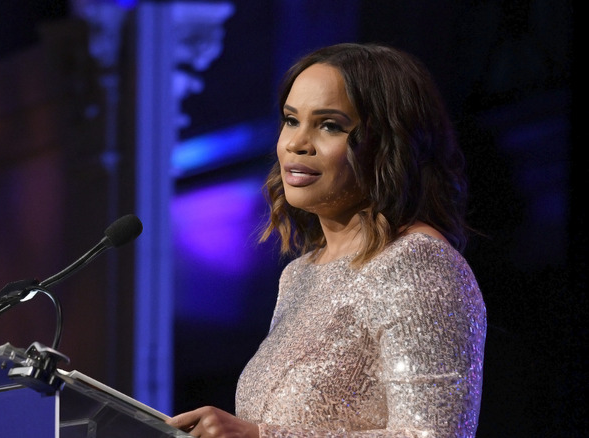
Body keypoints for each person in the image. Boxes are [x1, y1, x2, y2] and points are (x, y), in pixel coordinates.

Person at [166, 43, 487, 437]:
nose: (297, 143)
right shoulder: (299, 275)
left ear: (386, 142)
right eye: (290, 120)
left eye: (330, 125)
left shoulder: (419, 264)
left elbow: (434, 435)